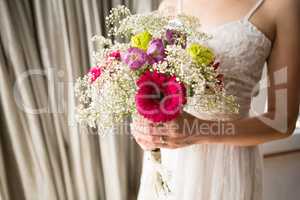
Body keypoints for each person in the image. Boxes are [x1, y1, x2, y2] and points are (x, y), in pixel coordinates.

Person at [132, 0, 300, 199]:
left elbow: (282, 121)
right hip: (171, 160)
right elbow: (152, 82)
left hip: (227, 164)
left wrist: (198, 130)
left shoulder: (281, 5)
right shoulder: (170, 3)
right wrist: (145, 129)